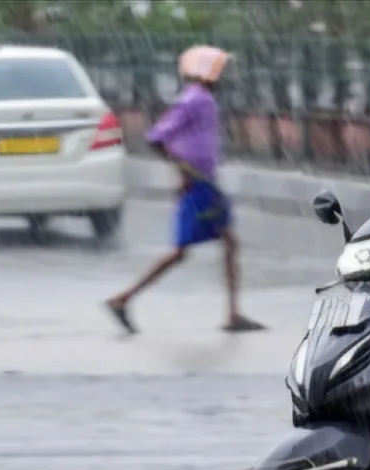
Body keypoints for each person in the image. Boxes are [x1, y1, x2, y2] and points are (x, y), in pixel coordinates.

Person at [105, 45, 264, 334]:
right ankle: (123, 299)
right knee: (183, 252)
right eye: (220, 70)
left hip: (206, 183)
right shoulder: (194, 100)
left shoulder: (201, 99)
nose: (224, 76)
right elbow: (156, 137)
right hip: (200, 184)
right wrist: (183, 169)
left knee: (228, 244)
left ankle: (233, 313)